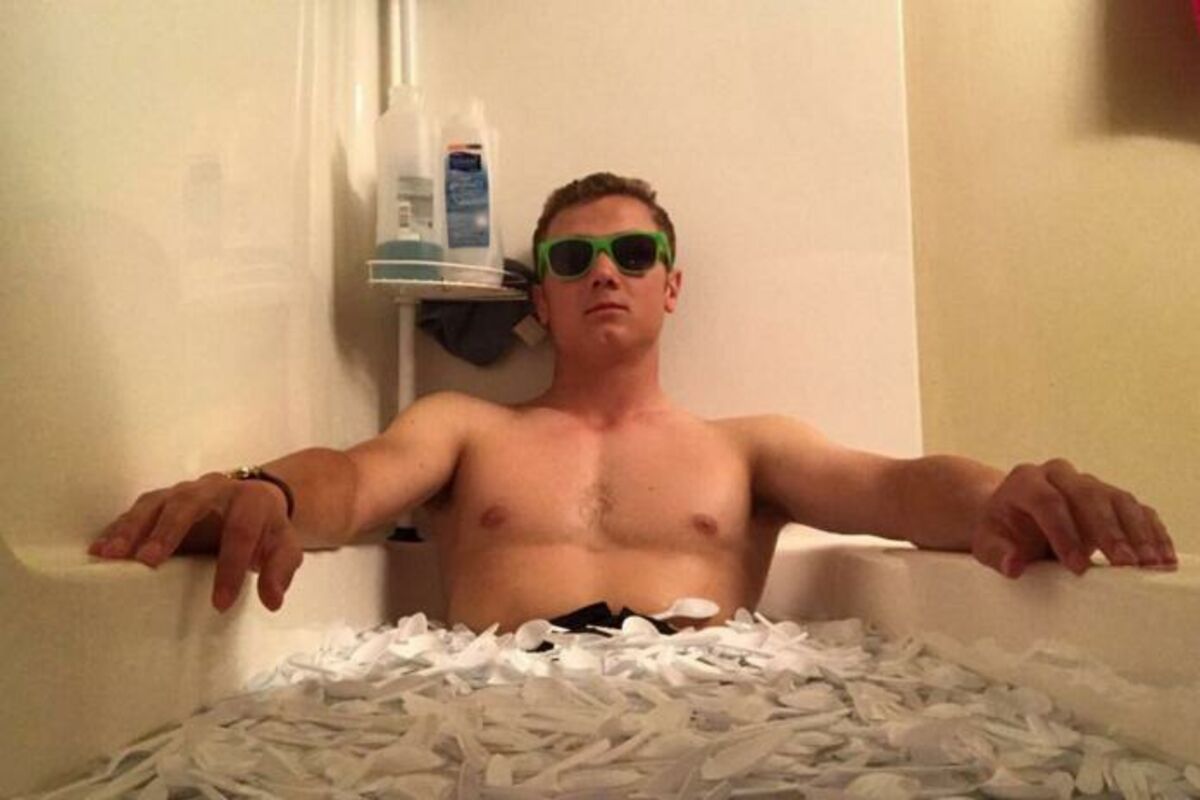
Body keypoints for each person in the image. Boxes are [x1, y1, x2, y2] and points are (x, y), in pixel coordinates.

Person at [89, 173, 1178, 633]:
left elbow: (895, 489)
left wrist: (1006, 494)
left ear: (670, 284)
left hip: (707, 719)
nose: (604, 271)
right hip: (494, 733)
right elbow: (356, 478)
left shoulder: (749, 448)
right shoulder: (466, 425)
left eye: (632, 253)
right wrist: (266, 489)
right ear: (543, 298)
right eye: (572, 258)